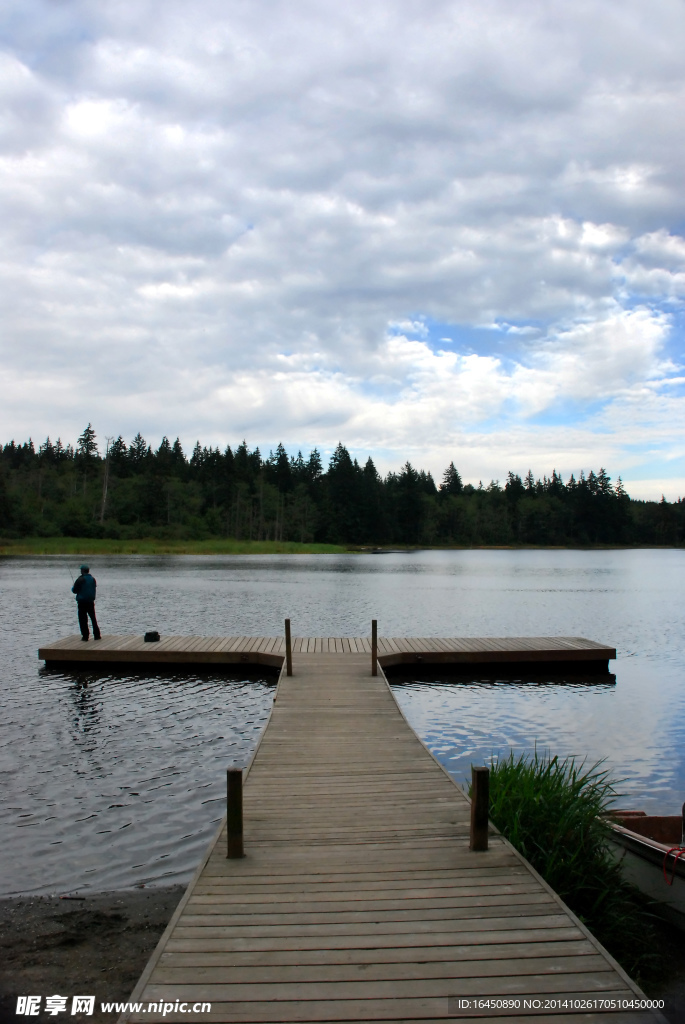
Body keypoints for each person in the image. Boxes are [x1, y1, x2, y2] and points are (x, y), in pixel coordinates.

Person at [72, 564, 101, 641]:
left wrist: (73, 587)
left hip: (82, 602)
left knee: (83, 619)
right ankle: (97, 635)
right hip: (91, 602)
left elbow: (74, 590)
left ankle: (85, 636)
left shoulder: (80, 579)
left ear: (82, 571)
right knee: (93, 618)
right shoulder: (93, 579)